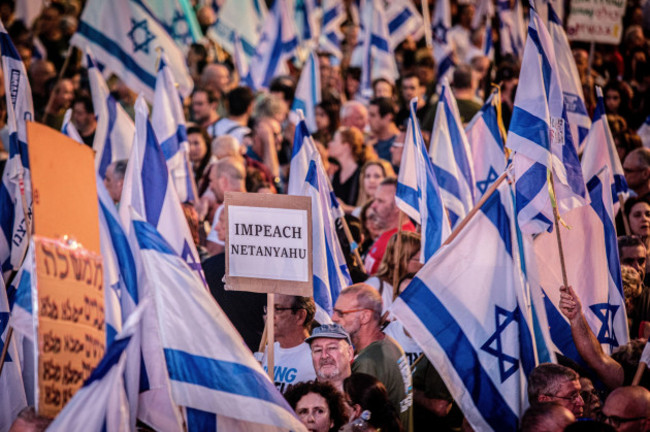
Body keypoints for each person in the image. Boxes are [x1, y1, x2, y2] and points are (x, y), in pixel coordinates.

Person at [332, 284, 412, 430]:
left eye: (341, 313)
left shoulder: (367, 363)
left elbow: (356, 423)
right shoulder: (389, 344)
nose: (333, 318)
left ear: (364, 316)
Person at [262, 295, 317, 393]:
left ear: (300, 316)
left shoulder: (318, 358)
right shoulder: (263, 353)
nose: (268, 316)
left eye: (278, 309)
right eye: (268, 309)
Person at [364, 178, 416, 275]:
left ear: (397, 206)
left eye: (380, 201)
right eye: (375, 199)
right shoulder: (388, 231)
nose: (373, 205)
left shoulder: (402, 241)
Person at [365, 232, 422, 316]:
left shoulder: (416, 286)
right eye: (418, 260)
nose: (422, 264)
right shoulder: (374, 286)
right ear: (402, 259)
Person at [306, 323, 355, 393]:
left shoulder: (367, 394)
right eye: (318, 350)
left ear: (350, 353)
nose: (324, 356)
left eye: (332, 348)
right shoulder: (302, 399)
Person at [330, 127, 365, 207]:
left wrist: (346, 208)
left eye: (334, 141)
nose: (330, 144)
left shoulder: (362, 174)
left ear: (346, 146)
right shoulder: (336, 173)